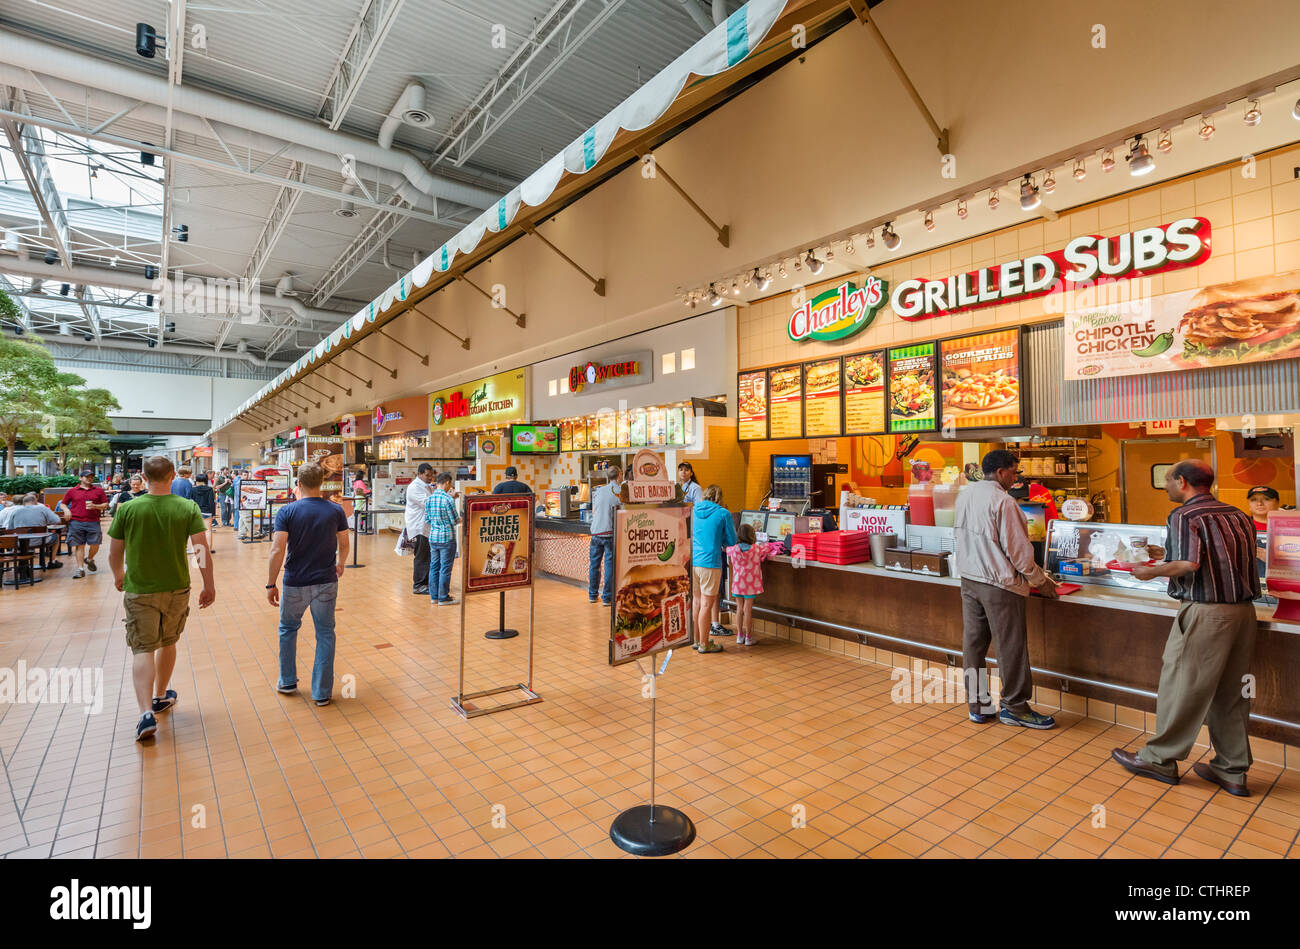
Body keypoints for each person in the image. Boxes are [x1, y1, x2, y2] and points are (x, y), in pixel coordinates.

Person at [1112, 460, 1260, 796]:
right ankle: (1232, 770)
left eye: (1167, 480)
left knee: (1182, 684)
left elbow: (1190, 564)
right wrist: (1165, 554)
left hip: (1207, 614)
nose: (1165, 486)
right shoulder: (1238, 514)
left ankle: (1159, 759)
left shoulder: (1184, 516)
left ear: (1182, 482)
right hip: (1242, 614)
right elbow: (1217, 557)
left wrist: (1149, 571)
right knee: (1230, 694)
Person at [107, 455, 215, 741]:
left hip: (140, 588)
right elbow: (201, 550)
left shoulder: (128, 509)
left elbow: (115, 551)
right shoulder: (187, 507)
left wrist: (119, 575)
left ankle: (145, 713)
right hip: (177, 587)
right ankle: (160, 696)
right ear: (171, 477)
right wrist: (208, 584)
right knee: (169, 641)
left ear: (143, 477)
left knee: (143, 648)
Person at [954, 449, 1059, 728]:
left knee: (974, 645)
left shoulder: (965, 495)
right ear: (1000, 472)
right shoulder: (1004, 502)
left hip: (969, 580)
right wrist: (1041, 581)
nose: (1016, 477)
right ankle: (1015, 707)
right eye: (1014, 471)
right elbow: (1020, 554)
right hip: (999, 584)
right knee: (1010, 647)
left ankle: (978, 706)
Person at [266, 462, 349, 707]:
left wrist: (271, 583)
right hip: (326, 580)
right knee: (325, 633)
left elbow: (277, 550)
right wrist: (341, 563)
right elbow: (344, 544)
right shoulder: (335, 511)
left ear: (298, 484)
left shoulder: (287, 512)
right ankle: (322, 692)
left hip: (295, 581)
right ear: (321, 484)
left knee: (288, 629)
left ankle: (288, 681)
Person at [692, 484, 737, 654]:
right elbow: (732, 541)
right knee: (706, 604)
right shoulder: (723, 513)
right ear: (719, 497)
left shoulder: (694, 510)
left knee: (696, 602)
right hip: (710, 563)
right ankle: (705, 644)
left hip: (693, 562)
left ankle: (696, 640)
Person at [725, 522, 784, 645]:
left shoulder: (733, 549)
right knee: (748, 610)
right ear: (752, 536)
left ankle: (739, 635)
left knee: (739, 608)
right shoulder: (756, 549)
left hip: (737, 583)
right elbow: (768, 548)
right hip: (751, 585)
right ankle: (748, 637)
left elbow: (726, 549)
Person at [58, 469, 109, 579]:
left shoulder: (99, 491)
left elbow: (105, 505)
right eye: (86, 476)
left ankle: (89, 559)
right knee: (79, 545)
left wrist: (95, 506)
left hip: (93, 521)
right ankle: (80, 569)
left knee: (95, 544)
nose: (89, 478)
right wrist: (66, 510)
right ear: (80, 478)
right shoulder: (72, 491)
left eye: (91, 476)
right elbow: (63, 504)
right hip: (76, 521)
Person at [424, 471, 460, 605]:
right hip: (447, 538)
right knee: (445, 568)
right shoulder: (448, 499)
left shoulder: (430, 498)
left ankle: (434, 597)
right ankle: (443, 597)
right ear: (447, 482)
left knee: (434, 567)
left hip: (433, 538)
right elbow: (455, 520)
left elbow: (427, 519)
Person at [587, 466, 622, 605]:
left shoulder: (599, 491)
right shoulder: (619, 492)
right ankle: (607, 598)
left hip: (596, 532)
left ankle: (592, 595)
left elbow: (595, 510)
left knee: (594, 565)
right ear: (619, 475)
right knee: (609, 566)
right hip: (610, 533)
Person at [405, 463, 436, 595]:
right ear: (419, 474)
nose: (430, 478)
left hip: (426, 528)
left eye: (431, 475)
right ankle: (418, 585)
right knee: (421, 557)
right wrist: (445, 496)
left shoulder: (426, 486)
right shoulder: (414, 487)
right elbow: (427, 503)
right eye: (427, 475)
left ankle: (427, 583)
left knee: (427, 556)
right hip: (419, 527)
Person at [191, 472, 218, 554]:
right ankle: (209, 549)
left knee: (195, 531)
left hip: (196, 512)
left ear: (197, 480)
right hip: (207, 512)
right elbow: (211, 502)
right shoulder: (209, 489)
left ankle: (195, 549)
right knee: (208, 531)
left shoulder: (193, 489)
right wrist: (213, 514)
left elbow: (191, 501)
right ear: (206, 480)